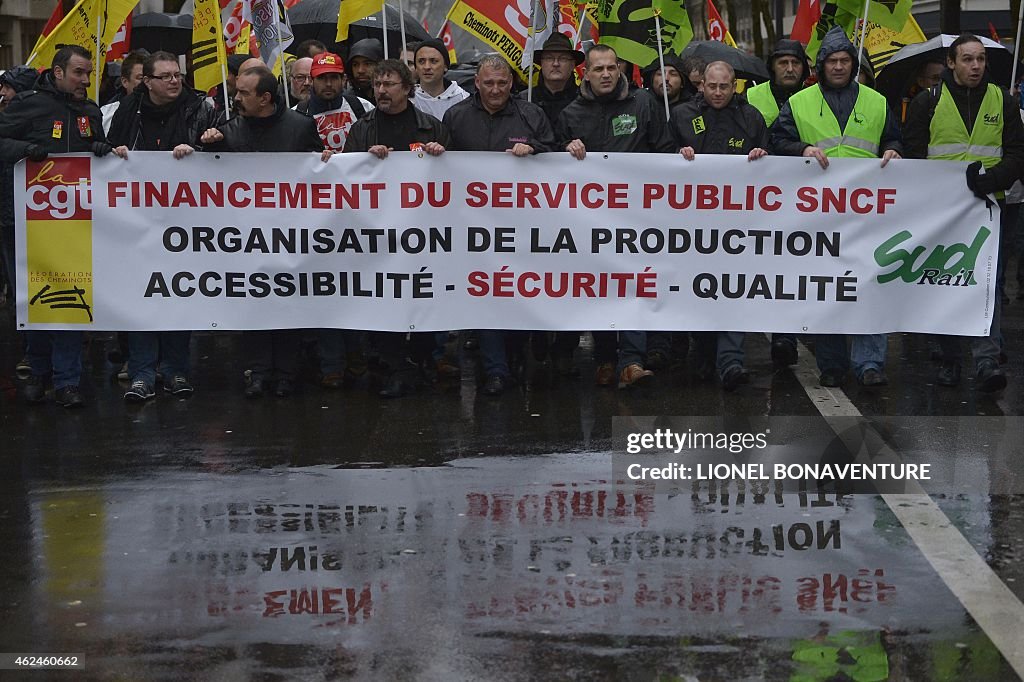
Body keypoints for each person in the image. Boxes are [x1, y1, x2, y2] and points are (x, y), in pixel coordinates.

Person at [771, 25, 902, 388]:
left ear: (854, 65)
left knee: (869, 286)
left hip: (867, 212)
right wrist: (803, 149)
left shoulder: (877, 102)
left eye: (846, 61)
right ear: (821, 65)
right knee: (827, 288)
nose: (840, 67)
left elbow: (893, 137)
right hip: (818, 215)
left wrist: (894, 150)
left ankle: (870, 363)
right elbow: (778, 140)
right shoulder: (799, 102)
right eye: (833, 61)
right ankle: (832, 364)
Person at [0, 45, 128, 408]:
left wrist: (100, 148)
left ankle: (68, 380)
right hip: (27, 222)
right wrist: (26, 149)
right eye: (78, 73)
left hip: (75, 223)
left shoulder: (89, 110)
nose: (85, 80)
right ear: (58, 73)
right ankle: (38, 371)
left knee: (71, 299)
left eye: (88, 74)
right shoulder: (29, 105)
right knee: (36, 302)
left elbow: (90, 149)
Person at [903, 33, 1024, 393]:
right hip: (945, 210)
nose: (976, 66)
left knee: (987, 282)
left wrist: (991, 180)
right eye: (968, 59)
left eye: (981, 60)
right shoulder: (928, 102)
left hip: (989, 205)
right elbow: (914, 158)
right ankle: (950, 360)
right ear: (951, 63)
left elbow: (1017, 153)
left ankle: (987, 360)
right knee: (946, 282)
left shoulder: (1003, 101)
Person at [200, 66, 327, 398]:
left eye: (243, 93)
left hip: (291, 235)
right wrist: (199, 149)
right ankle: (258, 372)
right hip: (247, 238)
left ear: (265, 98)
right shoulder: (230, 129)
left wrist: (328, 161)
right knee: (254, 303)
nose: (236, 98)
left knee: (287, 303)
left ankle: (285, 373)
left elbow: (322, 177)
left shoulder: (300, 128)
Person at [556, 43, 676, 389]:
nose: (606, 74)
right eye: (599, 69)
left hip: (636, 217)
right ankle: (606, 359)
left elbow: (664, 152)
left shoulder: (643, 104)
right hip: (589, 221)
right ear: (586, 74)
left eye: (611, 67)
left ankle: (632, 361)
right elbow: (552, 167)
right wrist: (565, 151)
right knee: (600, 287)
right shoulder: (571, 114)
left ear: (620, 70)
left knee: (634, 282)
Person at [106, 51, 220, 402]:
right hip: (138, 222)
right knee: (143, 295)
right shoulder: (128, 110)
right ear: (147, 82)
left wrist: (201, 147)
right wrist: (117, 153)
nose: (175, 81)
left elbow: (221, 157)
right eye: (166, 76)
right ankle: (142, 373)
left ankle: (176, 370)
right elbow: (108, 151)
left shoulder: (200, 108)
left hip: (185, 223)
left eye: (178, 75)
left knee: (179, 294)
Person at [443, 55, 555, 395]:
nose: (495, 90)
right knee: (485, 296)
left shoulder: (531, 115)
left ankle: (516, 356)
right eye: (488, 83)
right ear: (476, 83)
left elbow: (554, 155)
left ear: (512, 84)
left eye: (502, 83)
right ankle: (495, 370)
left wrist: (534, 148)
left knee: (517, 294)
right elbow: (439, 166)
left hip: (520, 226)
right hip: (473, 227)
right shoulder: (456, 116)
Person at [343, 59, 449, 398]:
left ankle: (423, 362)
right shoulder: (363, 128)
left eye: (389, 85)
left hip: (423, 235)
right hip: (379, 235)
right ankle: (392, 367)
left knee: (423, 298)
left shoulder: (430, 127)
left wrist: (440, 154)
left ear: (407, 88)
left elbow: (456, 177)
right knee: (385, 301)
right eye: (377, 85)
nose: (381, 91)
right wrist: (364, 159)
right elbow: (346, 178)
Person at [671, 61, 769, 391]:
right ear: (701, 85)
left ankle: (731, 361)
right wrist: (675, 154)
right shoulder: (682, 115)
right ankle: (703, 353)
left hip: (737, 225)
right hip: (692, 225)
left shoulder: (751, 118)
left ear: (735, 86)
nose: (716, 92)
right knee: (700, 289)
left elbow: (772, 166)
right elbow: (657, 159)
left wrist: (761, 156)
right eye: (711, 86)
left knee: (732, 289)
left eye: (723, 87)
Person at [744, 39, 810, 128]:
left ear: (804, 67)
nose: (790, 69)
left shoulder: (816, 97)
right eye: (783, 63)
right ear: (772, 66)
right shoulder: (751, 97)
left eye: (795, 63)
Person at [524, 33, 585, 125]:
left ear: (573, 65)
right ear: (541, 63)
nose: (556, 64)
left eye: (563, 58)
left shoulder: (584, 101)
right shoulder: (524, 101)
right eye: (549, 58)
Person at [413, 38, 469, 119]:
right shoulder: (407, 99)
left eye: (433, 61)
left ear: (445, 66)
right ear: (416, 67)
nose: (427, 67)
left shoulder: (462, 99)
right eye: (421, 61)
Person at [101, 51, 147, 133]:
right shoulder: (107, 113)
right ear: (125, 82)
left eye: (149, 78)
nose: (146, 82)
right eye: (140, 78)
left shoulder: (164, 108)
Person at [345, 38, 383, 105]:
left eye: (367, 64)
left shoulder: (391, 99)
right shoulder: (347, 103)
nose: (360, 70)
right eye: (355, 64)